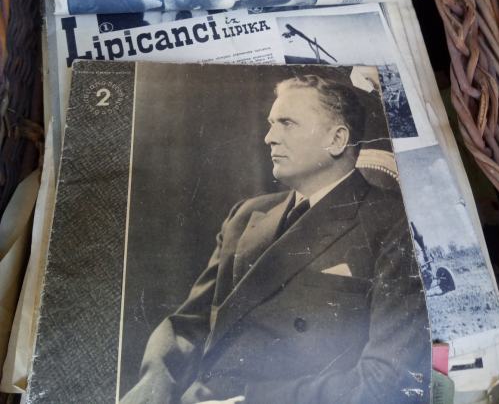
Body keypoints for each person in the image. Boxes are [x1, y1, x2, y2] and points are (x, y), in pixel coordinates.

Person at [121, 74, 430, 404]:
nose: (269, 138)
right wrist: (150, 394)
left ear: (337, 139)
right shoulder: (245, 215)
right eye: (271, 124)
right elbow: (187, 326)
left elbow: (387, 378)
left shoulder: (395, 223)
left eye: (287, 123)